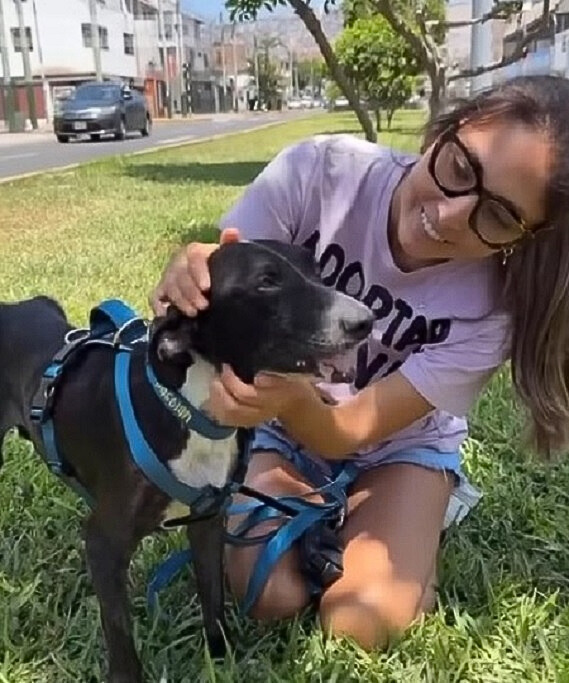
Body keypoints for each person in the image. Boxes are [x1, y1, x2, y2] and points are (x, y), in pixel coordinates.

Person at [151, 75, 569, 651]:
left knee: (358, 623)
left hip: (395, 446)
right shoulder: (319, 174)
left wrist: (296, 397)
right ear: (444, 130)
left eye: (497, 216)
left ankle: (417, 518)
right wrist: (189, 272)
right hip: (272, 426)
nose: (450, 214)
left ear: (526, 236)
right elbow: (219, 284)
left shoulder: (492, 310)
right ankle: (336, 516)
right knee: (270, 596)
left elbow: (347, 432)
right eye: (458, 167)